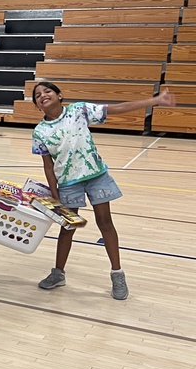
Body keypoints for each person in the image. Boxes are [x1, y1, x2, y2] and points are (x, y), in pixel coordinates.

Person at [31, 80, 175, 300]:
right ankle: (58, 273)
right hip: (68, 183)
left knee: (105, 222)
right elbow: (48, 166)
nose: (42, 95)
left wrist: (154, 100)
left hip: (96, 176)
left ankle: (117, 273)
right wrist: (55, 195)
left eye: (47, 90)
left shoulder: (79, 110)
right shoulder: (40, 132)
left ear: (60, 95)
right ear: (37, 106)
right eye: (37, 95)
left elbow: (115, 109)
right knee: (67, 229)